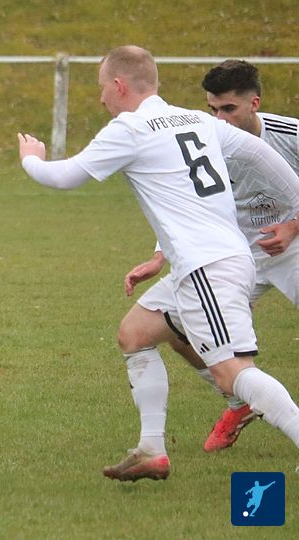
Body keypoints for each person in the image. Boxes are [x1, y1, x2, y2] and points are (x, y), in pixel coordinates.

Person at [17, 45, 299, 482]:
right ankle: (151, 450)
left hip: (207, 267)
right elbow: (261, 155)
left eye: (101, 88)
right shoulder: (196, 119)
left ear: (118, 85)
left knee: (232, 374)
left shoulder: (130, 129)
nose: (101, 98)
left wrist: (31, 159)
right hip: (214, 261)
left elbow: (64, 176)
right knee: (135, 333)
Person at [121, 59, 299, 455]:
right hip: (228, 255)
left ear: (254, 103)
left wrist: (292, 226)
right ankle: (239, 399)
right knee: (170, 327)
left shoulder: (289, 135)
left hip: (291, 249)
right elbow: (185, 203)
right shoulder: (202, 136)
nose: (220, 118)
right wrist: (158, 256)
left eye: (229, 109)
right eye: (213, 109)